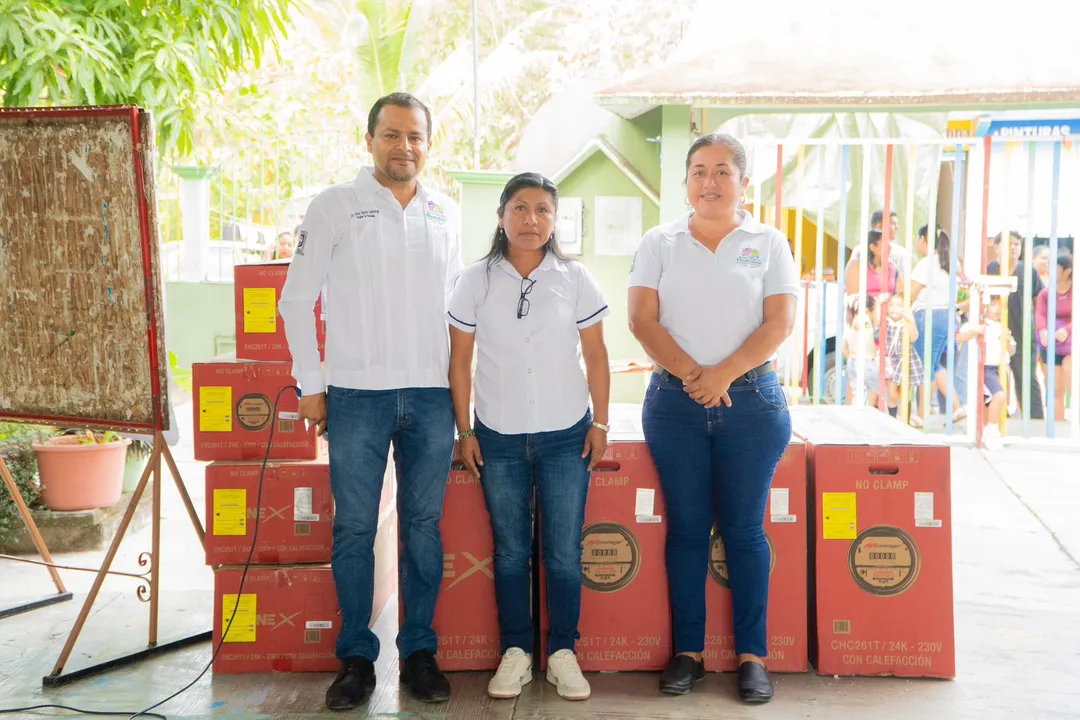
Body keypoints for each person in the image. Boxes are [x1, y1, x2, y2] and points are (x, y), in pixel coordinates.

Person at [279, 92, 461, 710]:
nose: (403, 147)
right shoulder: (335, 206)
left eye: (415, 136)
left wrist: (467, 397)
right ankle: (356, 659)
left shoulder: (447, 213)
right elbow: (295, 300)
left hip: (433, 396)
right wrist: (311, 385)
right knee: (354, 528)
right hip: (356, 394)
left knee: (423, 528)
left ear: (428, 146)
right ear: (369, 140)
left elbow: (460, 315)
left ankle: (419, 654)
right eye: (391, 135)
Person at [627, 133, 798, 703]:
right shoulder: (660, 241)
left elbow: (779, 323)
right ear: (686, 182)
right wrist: (696, 378)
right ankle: (688, 654)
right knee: (686, 530)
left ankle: (753, 657)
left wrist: (722, 375)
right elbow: (641, 319)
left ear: (743, 182)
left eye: (722, 170)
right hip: (675, 406)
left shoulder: (768, 242)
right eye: (698, 170)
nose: (709, 181)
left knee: (747, 531)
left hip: (752, 404)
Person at [447, 172, 610, 701]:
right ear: (500, 216)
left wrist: (602, 422)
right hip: (497, 436)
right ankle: (516, 652)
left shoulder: (574, 277)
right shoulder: (475, 280)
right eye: (519, 208)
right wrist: (465, 429)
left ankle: (563, 652)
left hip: (567, 434)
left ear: (554, 220)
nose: (531, 219)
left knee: (562, 551)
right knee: (512, 551)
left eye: (543, 210)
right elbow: (461, 361)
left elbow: (598, 355)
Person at [909, 225, 966, 426]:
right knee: (933, 365)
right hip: (947, 317)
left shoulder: (926, 263)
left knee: (925, 366)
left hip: (928, 316)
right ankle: (956, 407)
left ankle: (922, 415)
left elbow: (911, 292)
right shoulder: (950, 263)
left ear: (924, 240)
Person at [988, 231, 1045, 420]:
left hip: (1023, 334)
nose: (1013, 247)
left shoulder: (1028, 271)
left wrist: (1038, 328)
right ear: (996, 247)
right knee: (993, 377)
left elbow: (1040, 301)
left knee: (1026, 379)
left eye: (1017, 244)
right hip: (994, 335)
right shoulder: (990, 269)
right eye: (1009, 243)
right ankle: (996, 420)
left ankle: (1035, 421)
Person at [1035, 253, 1074, 422]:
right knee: (1055, 389)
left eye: (1054, 267)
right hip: (1051, 345)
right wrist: (1043, 330)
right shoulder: (1045, 293)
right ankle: (1057, 426)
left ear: (1067, 271)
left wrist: (1067, 329)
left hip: (1072, 345)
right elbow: (1040, 315)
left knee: (1072, 381)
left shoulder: (1076, 292)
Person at [980, 296, 1016, 450]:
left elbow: (1012, 351)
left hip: (1001, 368)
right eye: (993, 305)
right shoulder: (982, 326)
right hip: (987, 367)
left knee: (996, 401)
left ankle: (990, 431)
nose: (996, 309)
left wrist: (1007, 340)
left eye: (999, 306)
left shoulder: (1003, 327)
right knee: (998, 396)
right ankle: (992, 433)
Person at [883, 292, 923, 420]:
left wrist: (910, 321)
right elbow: (878, 320)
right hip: (891, 361)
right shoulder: (887, 321)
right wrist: (880, 303)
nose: (894, 308)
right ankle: (893, 417)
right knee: (892, 394)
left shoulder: (905, 322)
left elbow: (913, 337)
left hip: (905, 360)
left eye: (899, 305)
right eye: (891, 305)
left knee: (905, 393)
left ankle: (906, 420)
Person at [844, 295, 881, 408]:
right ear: (867, 311)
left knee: (858, 392)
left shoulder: (852, 322)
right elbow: (878, 322)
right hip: (865, 361)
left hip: (853, 360)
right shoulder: (863, 320)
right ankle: (867, 410)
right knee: (878, 387)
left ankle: (860, 410)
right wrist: (879, 303)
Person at [844, 230, 899, 299]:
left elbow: (901, 293)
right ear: (872, 247)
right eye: (885, 244)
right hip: (866, 308)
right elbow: (853, 297)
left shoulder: (891, 267)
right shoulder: (857, 265)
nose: (890, 248)